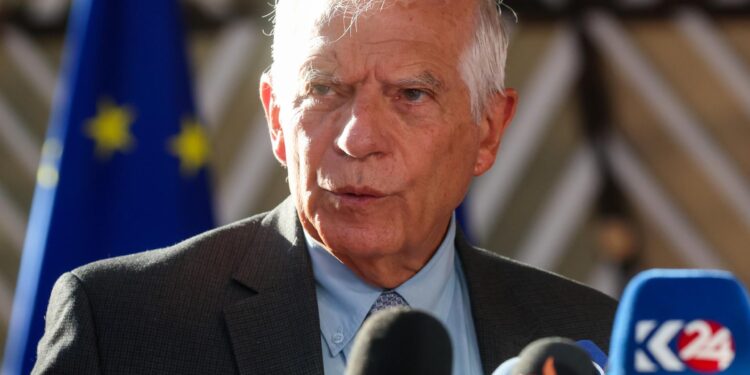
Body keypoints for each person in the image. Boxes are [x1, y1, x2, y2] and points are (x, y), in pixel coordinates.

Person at [32, 0, 617, 374]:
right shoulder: (122, 325)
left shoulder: (597, 337)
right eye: (324, 90)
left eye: (411, 95)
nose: (358, 139)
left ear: (488, 130)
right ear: (276, 116)